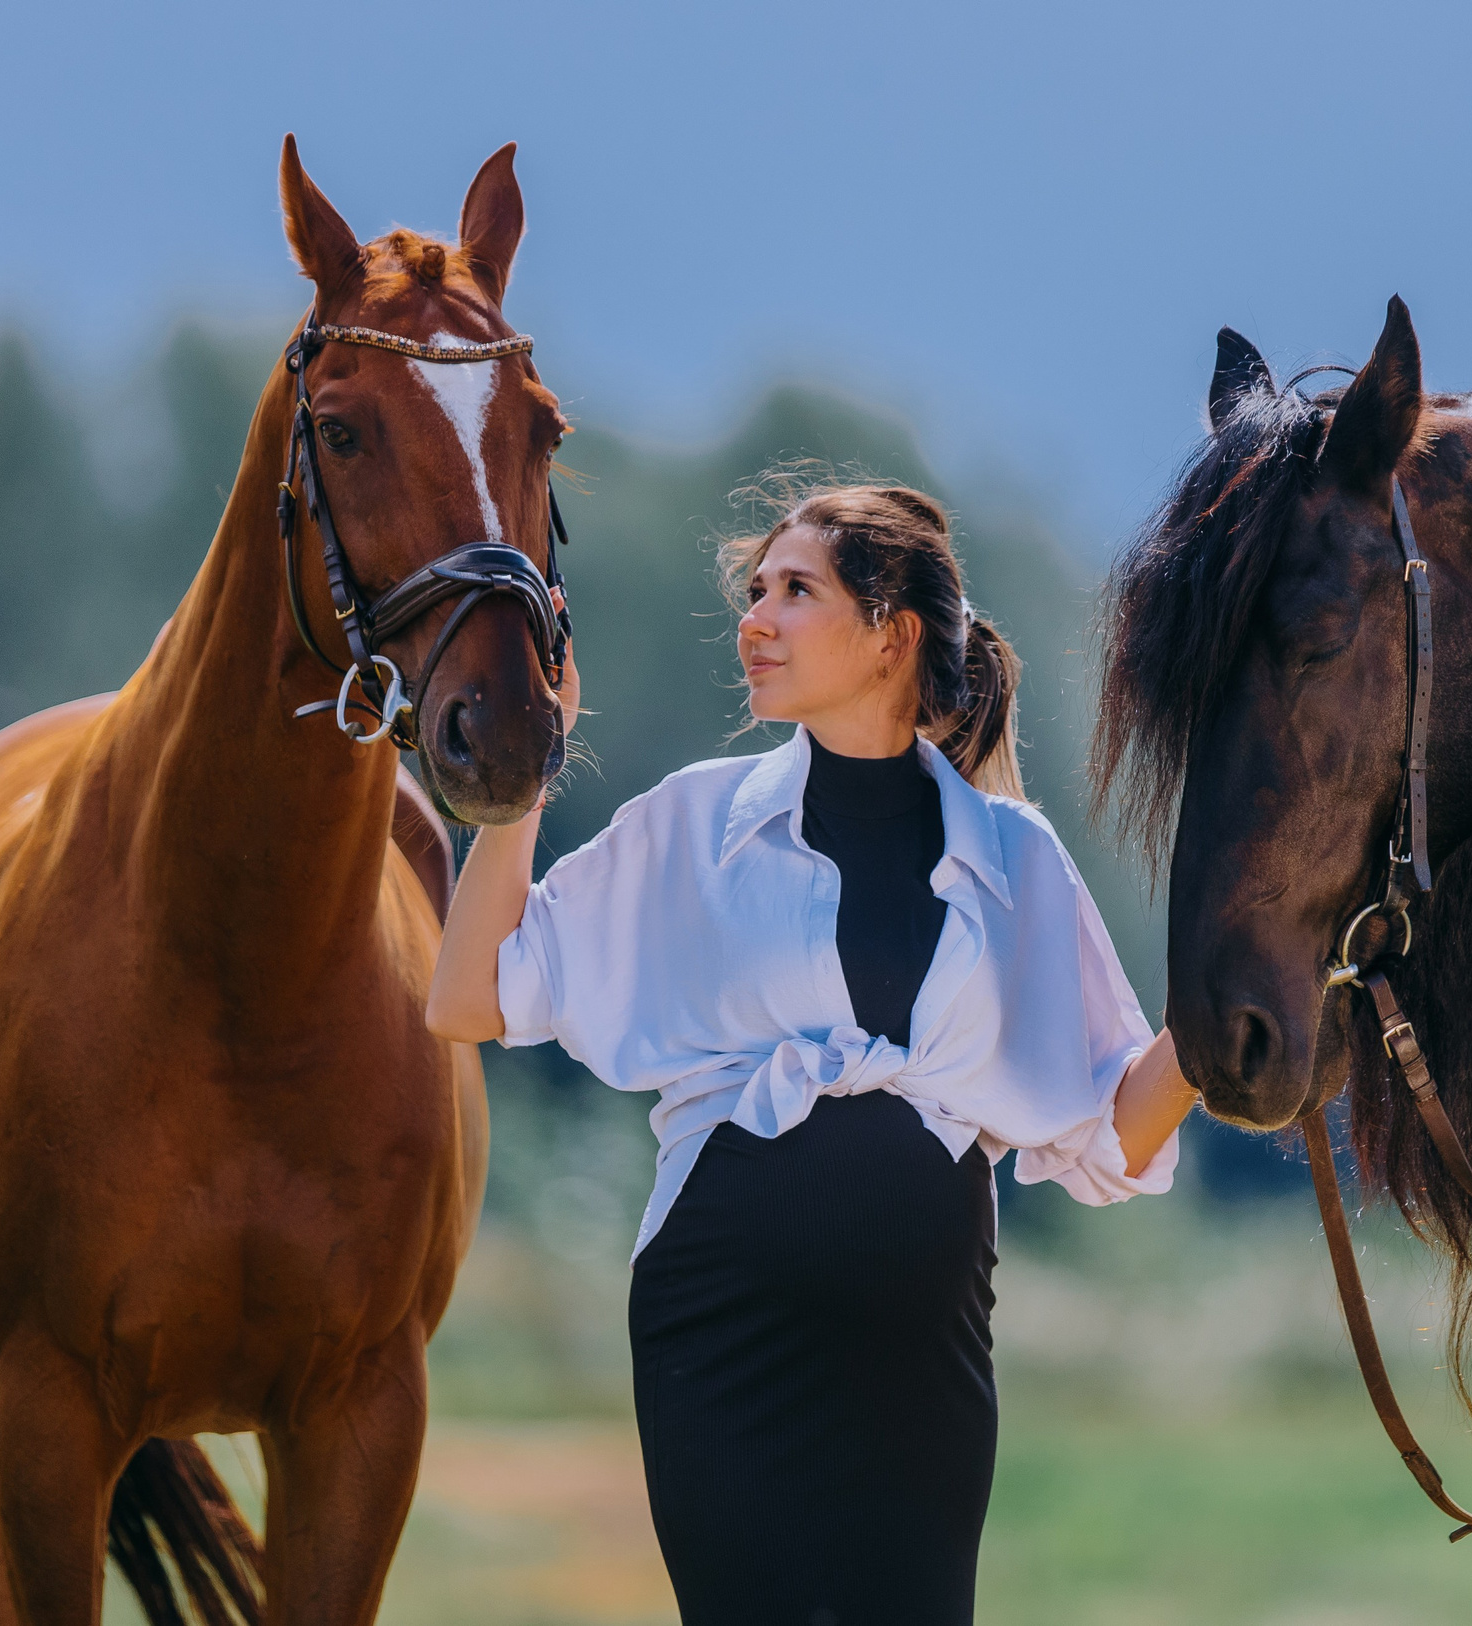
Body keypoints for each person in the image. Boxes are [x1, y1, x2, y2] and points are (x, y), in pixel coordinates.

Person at [426, 480, 1196, 1625]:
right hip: (720, 1337)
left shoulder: (1014, 861)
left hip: (923, 1358)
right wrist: (528, 771)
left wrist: (1234, 1003)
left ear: (890, 634)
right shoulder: (696, 823)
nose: (755, 619)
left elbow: (1115, 1121)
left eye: (795, 591)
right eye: (754, 591)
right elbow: (470, 997)